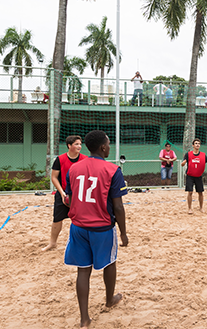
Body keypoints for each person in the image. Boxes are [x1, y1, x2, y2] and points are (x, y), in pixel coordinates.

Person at [63, 130, 128, 329]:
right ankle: (109, 300)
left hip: (78, 227)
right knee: (109, 262)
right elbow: (118, 206)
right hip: (102, 227)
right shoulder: (112, 170)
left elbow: (69, 199)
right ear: (102, 147)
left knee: (83, 271)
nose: (110, 147)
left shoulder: (73, 169)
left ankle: (84, 319)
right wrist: (124, 232)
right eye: (108, 144)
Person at [42, 135, 87, 252]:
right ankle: (52, 243)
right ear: (69, 146)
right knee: (57, 219)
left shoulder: (84, 159)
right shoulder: (60, 159)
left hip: (79, 194)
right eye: (76, 144)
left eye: (80, 144)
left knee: (80, 220)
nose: (79, 146)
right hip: (63, 193)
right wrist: (62, 193)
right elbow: (54, 178)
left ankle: (81, 243)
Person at [180, 138, 207, 214]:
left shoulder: (203, 155)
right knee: (190, 192)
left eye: (198, 143)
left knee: (200, 192)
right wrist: (183, 163)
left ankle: (201, 208)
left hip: (198, 176)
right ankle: (189, 208)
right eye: (196, 143)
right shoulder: (188, 154)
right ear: (193, 145)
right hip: (190, 176)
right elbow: (183, 162)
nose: (197, 144)